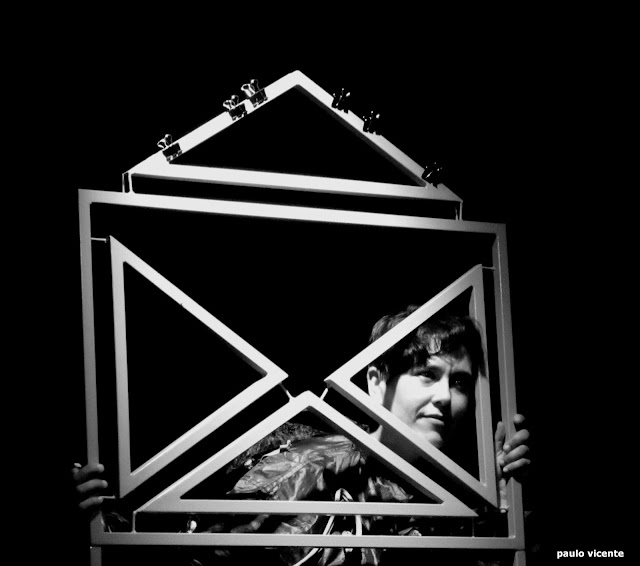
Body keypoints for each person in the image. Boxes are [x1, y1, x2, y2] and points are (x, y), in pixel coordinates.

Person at [73, 306, 531, 565]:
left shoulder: (459, 505)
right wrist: (99, 529)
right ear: (375, 382)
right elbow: (194, 552)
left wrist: (506, 515)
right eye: (426, 374)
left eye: (460, 382)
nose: (446, 397)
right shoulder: (308, 460)